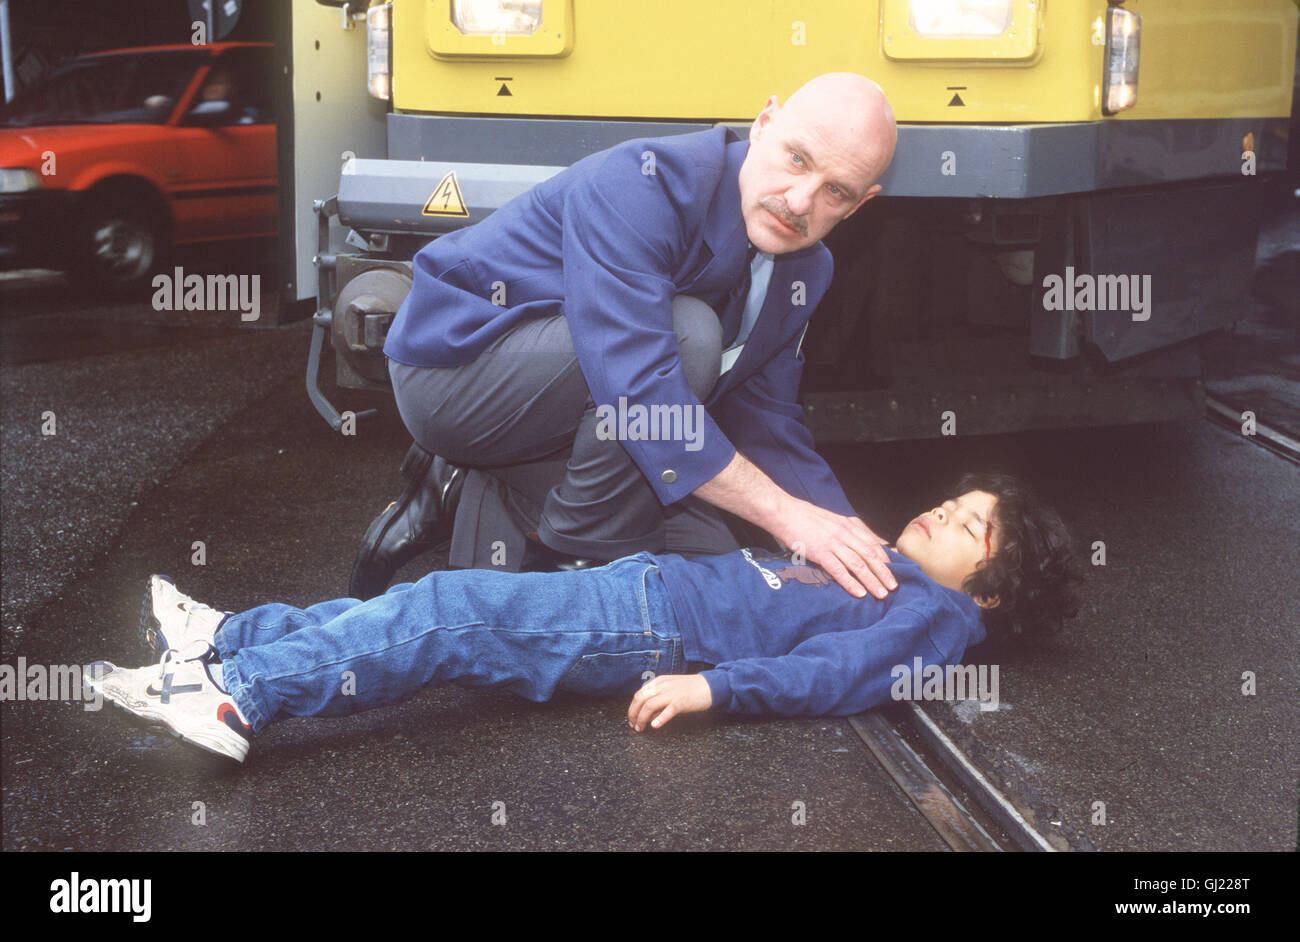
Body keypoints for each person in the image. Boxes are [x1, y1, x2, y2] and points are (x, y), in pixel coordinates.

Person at [351, 72, 900, 604]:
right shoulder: (645, 180)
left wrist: (854, 542)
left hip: (581, 406)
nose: (801, 201)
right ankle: (574, 567)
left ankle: (456, 492)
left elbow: (766, 419)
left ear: (859, 205)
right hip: (453, 373)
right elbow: (639, 389)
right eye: (797, 158)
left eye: (835, 191)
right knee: (689, 335)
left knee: (716, 565)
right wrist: (786, 515)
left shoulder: (807, 269)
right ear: (762, 123)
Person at [83, 473, 1079, 764]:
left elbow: (833, 681)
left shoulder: (932, 624)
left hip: (650, 628)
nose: (946, 512)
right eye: (957, 503)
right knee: (427, 606)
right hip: (641, 599)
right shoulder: (900, 578)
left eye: (971, 528)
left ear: (987, 590)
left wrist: (713, 688)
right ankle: (230, 642)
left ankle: (237, 697)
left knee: (445, 607)